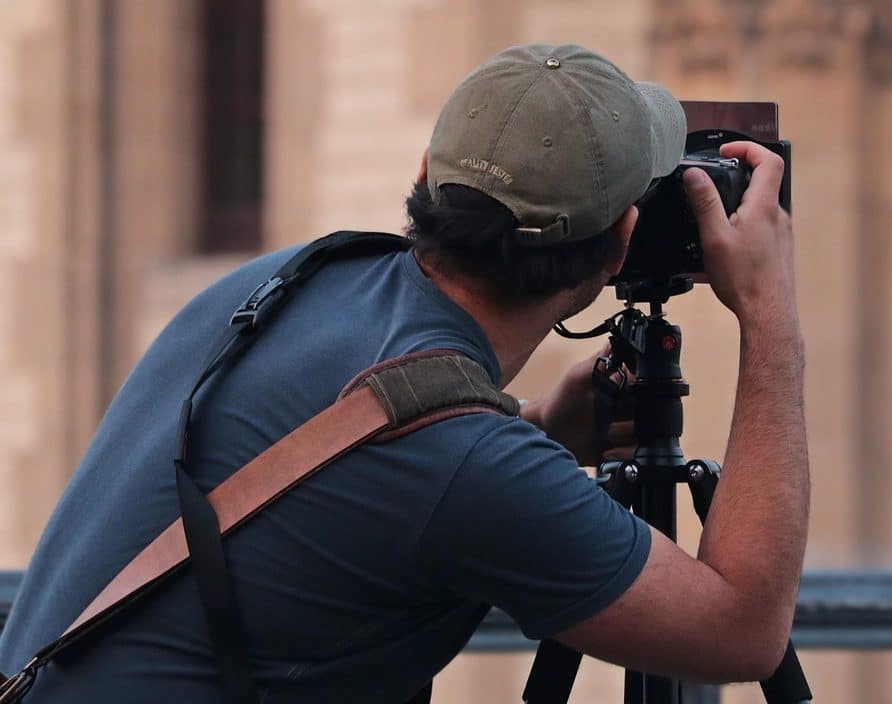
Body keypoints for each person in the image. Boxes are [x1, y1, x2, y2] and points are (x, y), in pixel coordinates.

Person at [0, 44, 808, 702]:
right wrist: (769, 316)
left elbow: (370, 472)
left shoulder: (292, 279)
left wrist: (532, 429)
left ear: (427, 174)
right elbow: (742, 630)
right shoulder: (465, 464)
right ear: (622, 239)